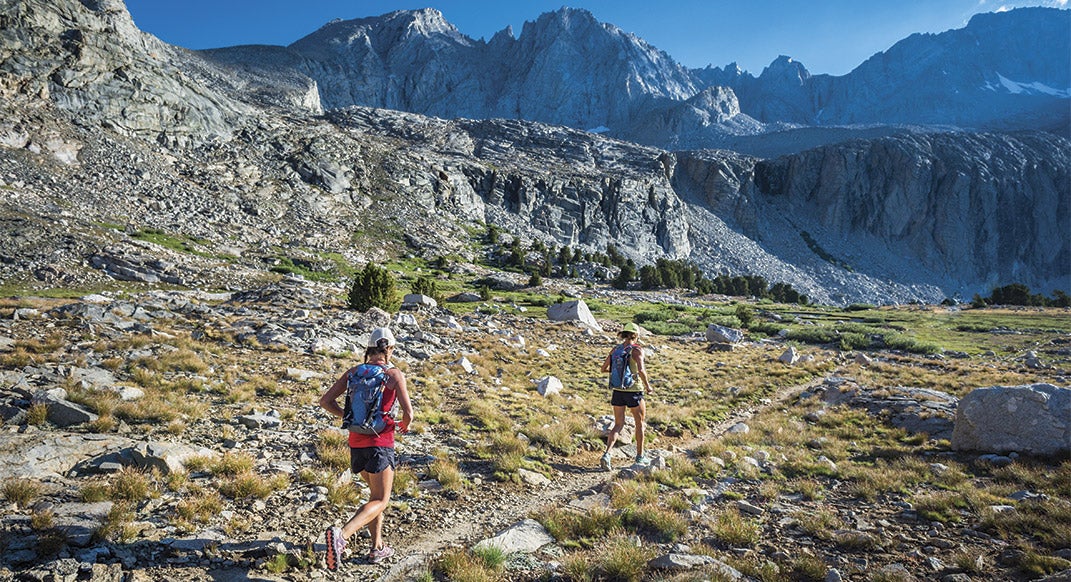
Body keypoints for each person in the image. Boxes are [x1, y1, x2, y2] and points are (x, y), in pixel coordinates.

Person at [319, 327, 413, 571]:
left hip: (356, 443)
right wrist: (403, 425)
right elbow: (408, 413)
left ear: (369, 348)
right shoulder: (393, 374)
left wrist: (347, 416)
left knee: (373, 497)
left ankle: (377, 548)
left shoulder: (353, 372)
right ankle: (342, 535)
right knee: (381, 499)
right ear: (389, 348)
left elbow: (325, 401)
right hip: (380, 443)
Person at [599, 322, 651, 471]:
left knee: (618, 424)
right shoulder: (636, 350)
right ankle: (640, 457)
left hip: (618, 391)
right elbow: (641, 370)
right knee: (639, 423)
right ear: (636, 335)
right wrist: (648, 386)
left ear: (623, 334)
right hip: (634, 391)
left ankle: (607, 454)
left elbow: (603, 368)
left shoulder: (615, 349)